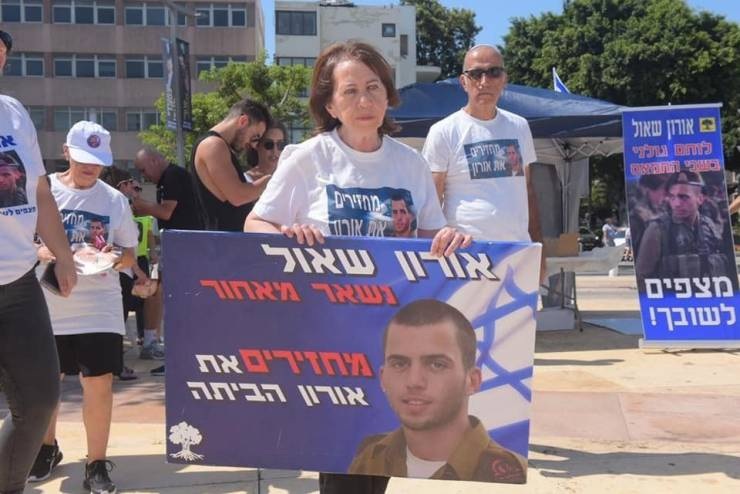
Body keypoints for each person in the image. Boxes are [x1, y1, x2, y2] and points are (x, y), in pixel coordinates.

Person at [245, 40, 471, 494]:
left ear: (388, 95)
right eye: (350, 91)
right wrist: (287, 238)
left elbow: (430, 233)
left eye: (373, 88)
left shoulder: (410, 163)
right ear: (330, 104)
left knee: (379, 459)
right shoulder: (306, 157)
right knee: (344, 463)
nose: (364, 101)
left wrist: (451, 237)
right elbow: (255, 224)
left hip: (395, 336)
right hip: (330, 336)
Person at [31, 121, 138, 494]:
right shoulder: (42, 191)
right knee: (47, 383)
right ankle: (47, 448)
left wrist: (112, 259)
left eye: (97, 160)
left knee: (98, 382)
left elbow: (129, 254)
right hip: (49, 302)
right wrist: (45, 252)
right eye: (83, 159)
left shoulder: (113, 200)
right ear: (66, 152)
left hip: (99, 304)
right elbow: (22, 241)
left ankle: (96, 464)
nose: (91, 167)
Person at [1, 28, 78, 494]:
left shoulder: (13, 112)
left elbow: (39, 190)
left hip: (17, 282)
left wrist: (63, 254)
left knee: (39, 400)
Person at [349, 299, 527, 483]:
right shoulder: (370, 456)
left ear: (472, 381)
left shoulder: (509, 474)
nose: (414, 381)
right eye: (399, 364)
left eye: (437, 364)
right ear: (383, 378)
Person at [422, 45, 544, 277]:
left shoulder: (519, 126)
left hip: (516, 253)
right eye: (476, 74)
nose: (484, 81)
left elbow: (528, 192)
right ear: (463, 81)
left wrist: (540, 252)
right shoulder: (444, 131)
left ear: (504, 79)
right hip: (463, 256)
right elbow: (431, 203)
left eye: (493, 73)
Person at [635, 171, 730, 285]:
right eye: (672, 197)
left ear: (700, 199)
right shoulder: (657, 229)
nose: (677, 204)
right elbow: (642, 276)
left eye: (683, 197)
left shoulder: (711, 227)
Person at [192, 99, 272, 231]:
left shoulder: (218, 145)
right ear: (243, 121)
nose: (253, 145)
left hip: (227, 238)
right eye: (255, 137)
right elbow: (238, 196)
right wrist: (275, 179)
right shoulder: (213, 145)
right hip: (223, 239)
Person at [243, 120, 288, 213]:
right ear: (256, 145)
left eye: (280, 144)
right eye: (268, 144)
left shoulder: (291, 177)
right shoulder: (243, 181)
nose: (275, 151)